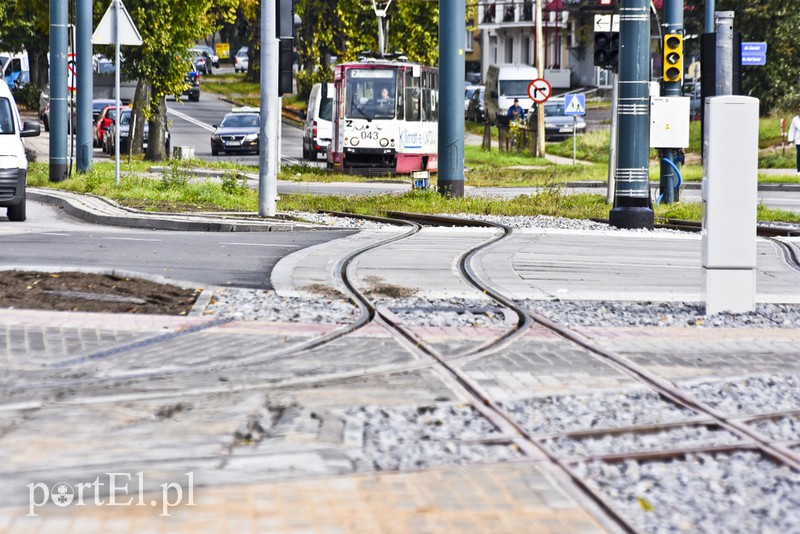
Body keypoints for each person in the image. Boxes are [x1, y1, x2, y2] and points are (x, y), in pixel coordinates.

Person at [789, 106, 800, 174]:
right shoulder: (795, 120)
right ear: (798, 111)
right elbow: (791, 130)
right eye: (799, 111)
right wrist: (790, 141)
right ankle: (799, 170)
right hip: (798, 140)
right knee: (799, 155)